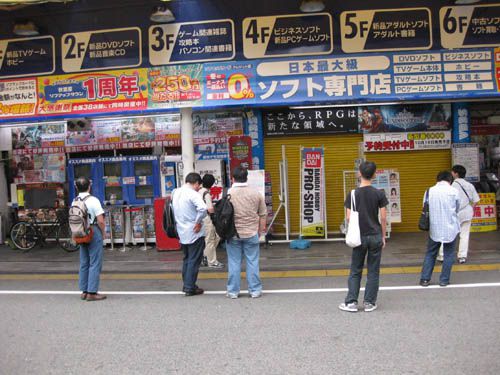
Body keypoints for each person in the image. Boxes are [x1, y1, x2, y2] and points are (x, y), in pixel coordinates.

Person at [339, 161, 388, 313]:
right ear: (374, 174)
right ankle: (369, 303)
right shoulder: (379, 193)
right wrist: (383, 235)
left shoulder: (352, 194)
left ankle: (352, 302)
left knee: (355, 269)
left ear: (359, 173)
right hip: (375, 236)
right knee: (373, 270)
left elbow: (348, 218)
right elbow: (384, 217)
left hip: (359, 236)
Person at [225, 167, 267, 299]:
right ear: (247, 178)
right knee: (253, 262)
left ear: (233, 178)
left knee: (234, 262)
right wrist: (260, 231)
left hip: (233, 234)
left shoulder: (227, 193)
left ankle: (233, 291)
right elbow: (263, 214)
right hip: (251, 232)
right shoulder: (256, 194)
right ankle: (255, 290)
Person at [419, 171, 460, 287]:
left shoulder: (429, 191)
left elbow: (425, 206)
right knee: (449, 254)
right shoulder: (454, 191)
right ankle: (444, 280)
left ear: (437, 179)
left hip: (434, 227)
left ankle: (425, 279)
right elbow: (457, 208)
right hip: (451, 227)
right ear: (450, 180)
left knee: (431, 253)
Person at [172, 172, 208, 296]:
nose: (199, 188)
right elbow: (203, 208)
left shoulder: (175, 192)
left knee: (187, 259)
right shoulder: (193, 193)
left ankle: (187, 284)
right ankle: (189, 287)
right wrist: (198, 222)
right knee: (194, 259)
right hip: (194, 231)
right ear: (196, 183)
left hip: (182, 231)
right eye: (199, 186)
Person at [437, 165, 480, 264]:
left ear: (456, 173)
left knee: (447, 235)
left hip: (454, 214)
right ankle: (462, 257)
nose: (451, 174)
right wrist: (469, 208)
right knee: (464, 235)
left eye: (452, 172)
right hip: (467, 213)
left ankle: (442, 255)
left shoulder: (451, 186)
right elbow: (476, 200)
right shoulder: (470, 185)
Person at [75, 176, 106, 301]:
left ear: (77, 187)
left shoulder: (75, 200)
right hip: (93, 231)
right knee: (95, 262)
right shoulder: (94, 200)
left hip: (80, 232)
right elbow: (100, 221)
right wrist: (103, 233)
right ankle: (92, 293)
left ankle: (84, 291)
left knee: (84, 262)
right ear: (89, 186)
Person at [199, 174, 224, 269]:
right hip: (207, 219)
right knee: (211, 239)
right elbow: (210, 209)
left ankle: (205, 258)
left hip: (200, 219)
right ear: (212, 184)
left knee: (208, 240)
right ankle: (212, 262)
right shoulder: (206, 194)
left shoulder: (199, 191)